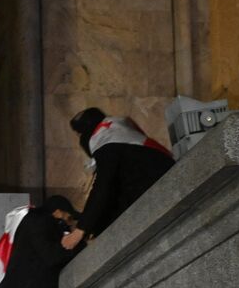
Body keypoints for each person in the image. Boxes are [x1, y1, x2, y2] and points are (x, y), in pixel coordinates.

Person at [63, 106, 174, 248]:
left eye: (79, 135)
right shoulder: (123, 138)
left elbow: (104, 187)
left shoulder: (107, 143)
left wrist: (79, 231)